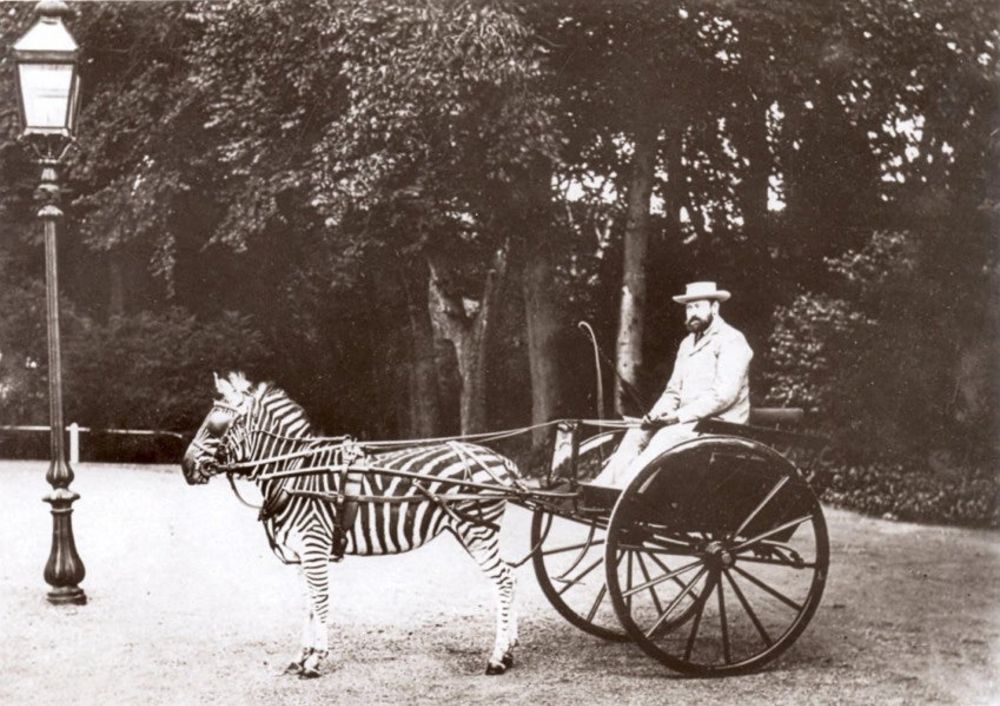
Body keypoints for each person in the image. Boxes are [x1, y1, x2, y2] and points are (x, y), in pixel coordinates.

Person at [591, 281, 753, 488]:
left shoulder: (732, 340)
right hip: (690, 423)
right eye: (688, 307)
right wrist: (654, 416)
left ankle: (623, 492)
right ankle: (600, 487)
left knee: (667, 436)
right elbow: (673, 392)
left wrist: (678, 416)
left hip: (721, 425)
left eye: (698, 306)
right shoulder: (687, 344)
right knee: (637, 432)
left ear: (714, 307)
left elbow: (723, 395)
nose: (692, 313)